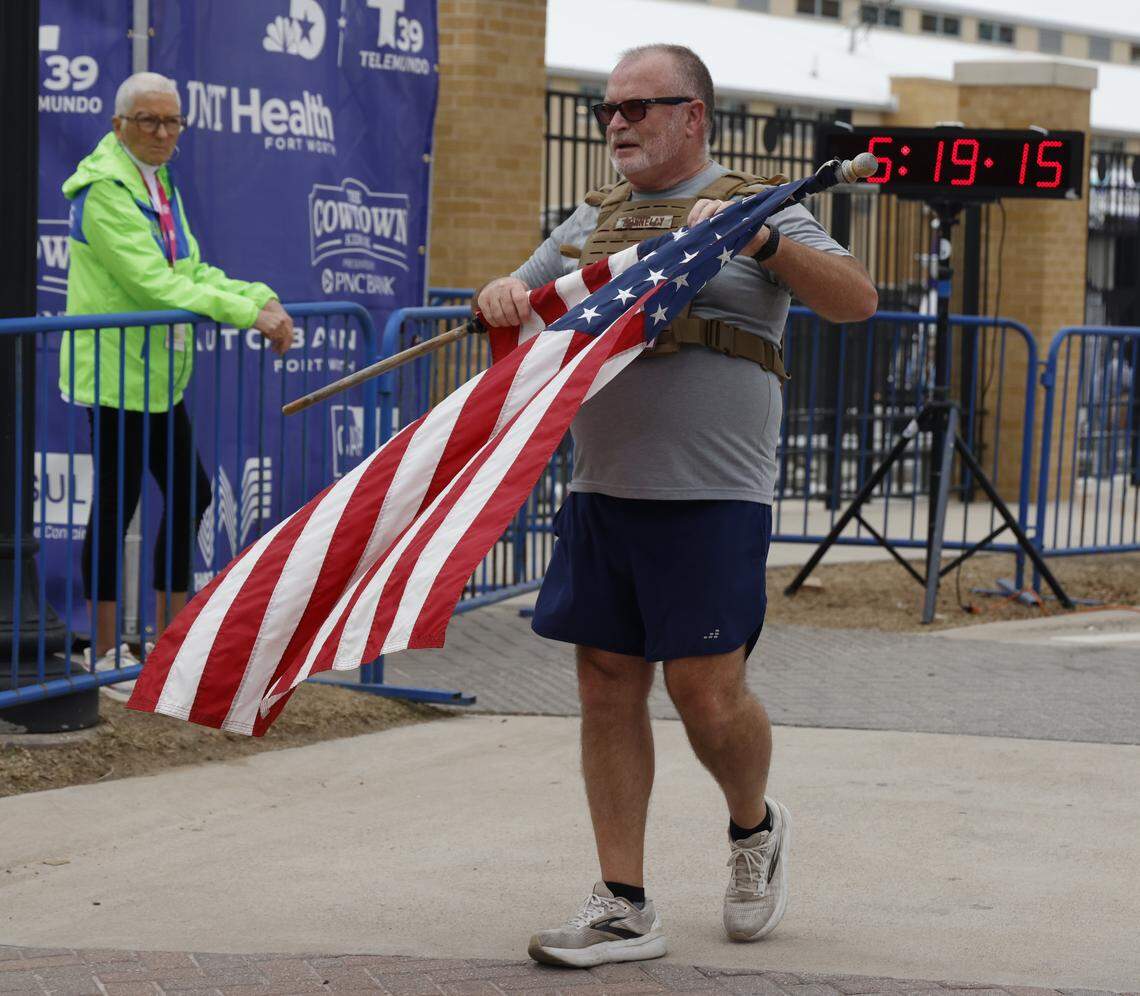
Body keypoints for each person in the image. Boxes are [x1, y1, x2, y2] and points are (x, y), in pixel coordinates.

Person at [477, 45, 877, 967]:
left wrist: (762, 239)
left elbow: (857, 299)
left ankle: (754, 828)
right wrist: (501, 294)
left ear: (693, 114)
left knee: (707, 695)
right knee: (607, 684)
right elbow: (523, 302)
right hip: (602, 490)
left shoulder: (759, 202)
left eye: (638, 108)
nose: (616, 123)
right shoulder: (592, 219)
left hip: (715, 495)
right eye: (606, 110)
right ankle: (623, 903)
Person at [60, 71, 294, 688]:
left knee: (189, 494)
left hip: (158, 376)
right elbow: (152, 284)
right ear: (120, 125)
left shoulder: (156, 181)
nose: (163, 133)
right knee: (118, 504)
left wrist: (258, 296)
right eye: (149, 122)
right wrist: (252, 314)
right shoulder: (106, 189)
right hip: (114, 373)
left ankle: (167, 641)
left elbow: (188, 267)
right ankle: (106, 650)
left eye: (172, 122)